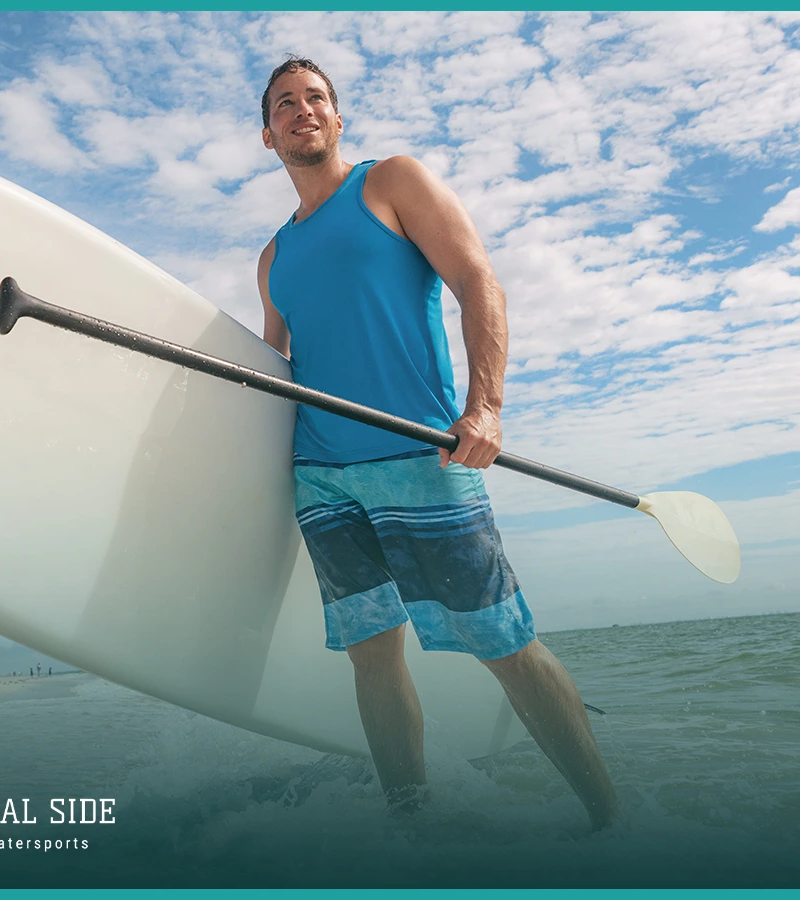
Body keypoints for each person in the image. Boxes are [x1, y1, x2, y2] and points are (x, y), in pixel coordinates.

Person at [256, 57, 617, 830]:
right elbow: (278, 370)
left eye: (315, 98)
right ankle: (411, 829)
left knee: (502, 639)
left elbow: (479, 281)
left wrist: (484, 407)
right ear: (267, 134)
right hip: (322, 475)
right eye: (285, 104)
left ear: (339, 117)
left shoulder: (391, 182)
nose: (302, 110)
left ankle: (611, 819)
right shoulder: (273, 257)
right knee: (372, 658)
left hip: (422, 457)